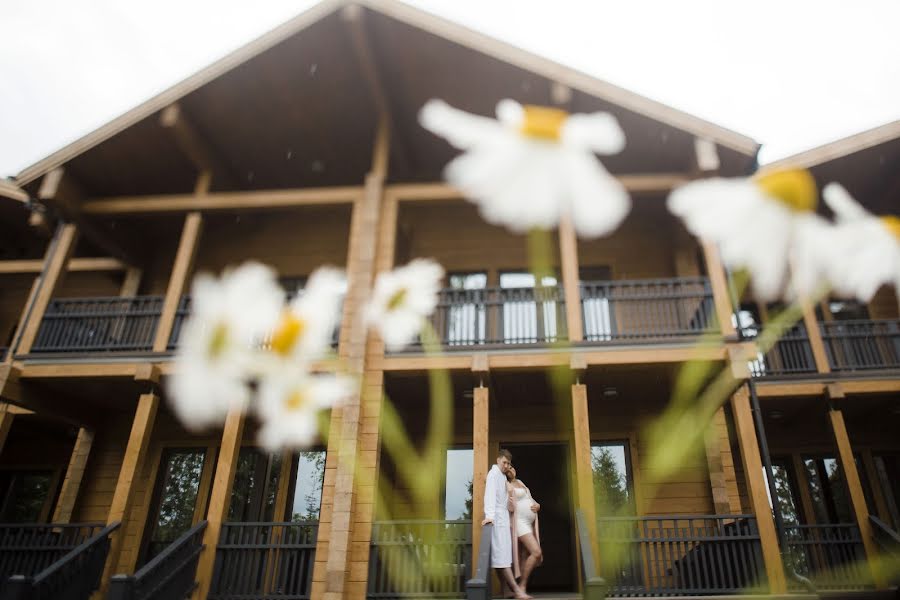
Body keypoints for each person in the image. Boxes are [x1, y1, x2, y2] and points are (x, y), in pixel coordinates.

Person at [482, 449, 530, 599]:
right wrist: (489, 516)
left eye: (508, 463)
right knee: (501, 558)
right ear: (498, 460)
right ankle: (517, 591)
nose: (506, 465)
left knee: (502, 557)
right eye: (504, 462)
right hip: (496, 519)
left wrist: (510, 493)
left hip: (504, 518)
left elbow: (509, 505)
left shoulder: (503, 478)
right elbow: (489, 496)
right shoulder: (493, 475)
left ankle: (505, 591)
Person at [506, 465, 542, 596]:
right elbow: (509, 507)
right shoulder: (506, 485)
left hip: (529, 522)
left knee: (524, 555)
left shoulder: (520, 482)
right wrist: (509, 494)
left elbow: (529, 499)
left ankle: (520, 589)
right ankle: (522, 586)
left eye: (512, 467)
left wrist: (537, 505)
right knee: (536, 552)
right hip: (519, 522)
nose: (511, 469)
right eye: (507, 468)